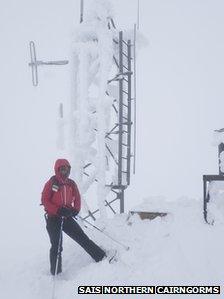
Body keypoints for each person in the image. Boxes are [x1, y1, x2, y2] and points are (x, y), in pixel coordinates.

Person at [41, 158, 106, 275]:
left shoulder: (71, 183)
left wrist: (75, 210)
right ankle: (56, 272)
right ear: (57, 169)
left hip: (66, 217)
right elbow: (45, 200)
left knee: (82, 238)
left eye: (67, 169)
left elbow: (77, 197)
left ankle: (101, 256)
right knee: (57, 245)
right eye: (62, 169)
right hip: (53, 218)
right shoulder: (52, 183)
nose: (64, 171)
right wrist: (58, 210)